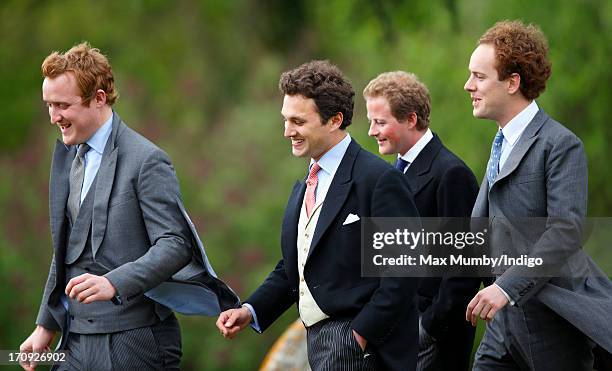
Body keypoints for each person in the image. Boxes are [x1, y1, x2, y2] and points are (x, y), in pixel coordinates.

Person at [19, 42, 238, 371]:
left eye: (62, 105)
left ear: (99, 99)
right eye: (49, 105)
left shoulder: (147, 160)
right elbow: (66, 247)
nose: (53, 117)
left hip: (135, 342)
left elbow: (176, 244)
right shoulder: (68, 155)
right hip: (75, 342)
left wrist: (114, 282)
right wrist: (45, 325)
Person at [216, 60, 420, 370]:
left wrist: (360, 334)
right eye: (286, 120)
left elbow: (404, 270)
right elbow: (294, 266)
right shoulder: (304, 185)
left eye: (298, 121)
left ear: (335, 120)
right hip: (318, 340)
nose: (287, 131)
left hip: (360, 345)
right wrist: (250, 310)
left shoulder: (378, 180)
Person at [464, 20, 612, 370]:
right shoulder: (499, 144)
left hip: (554, 324)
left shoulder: (560, 145)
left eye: (479, 77)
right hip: (502, 326)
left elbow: (565, 231)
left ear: (512, 82)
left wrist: (506, 288)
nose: (468, 85)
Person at [364, 71, 480, 371]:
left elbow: (464, 269)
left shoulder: (451, 174)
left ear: (411, 119)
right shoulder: (392, 174)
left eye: (380, 122)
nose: (371, 131)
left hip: (434, 341)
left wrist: (426, 329)